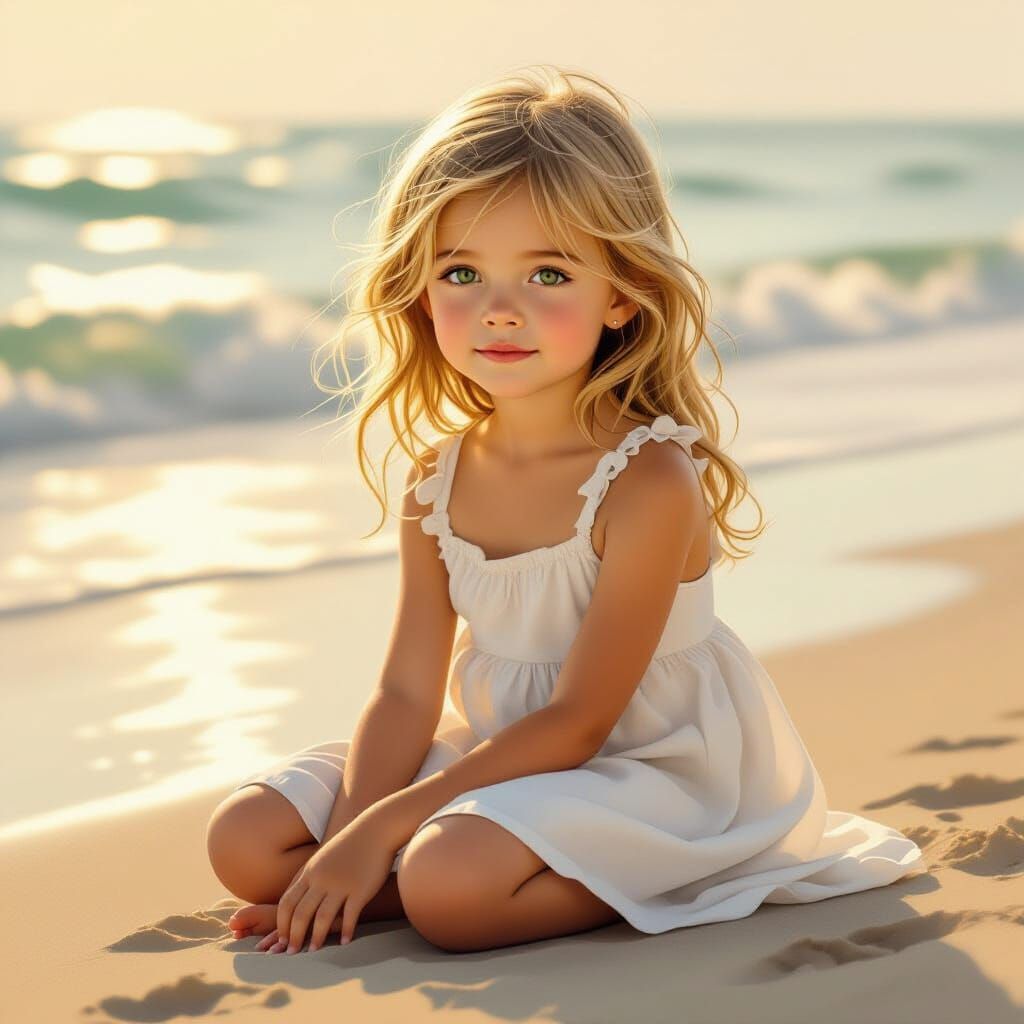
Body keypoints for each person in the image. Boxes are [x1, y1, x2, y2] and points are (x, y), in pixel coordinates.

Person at [206, 65, 922, 956]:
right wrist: (351, 836)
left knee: (449, 889)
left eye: (547, 273)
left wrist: (383, 836)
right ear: (421, 291)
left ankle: (589, 876)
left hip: (646, 768)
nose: (500, 312)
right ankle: (395, 878)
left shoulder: (647, 480)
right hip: (502, 749)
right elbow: (406, 692)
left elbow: (582, 721)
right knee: (245, 840)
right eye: (462, 272)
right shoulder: (436, 480)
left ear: (621, 291)